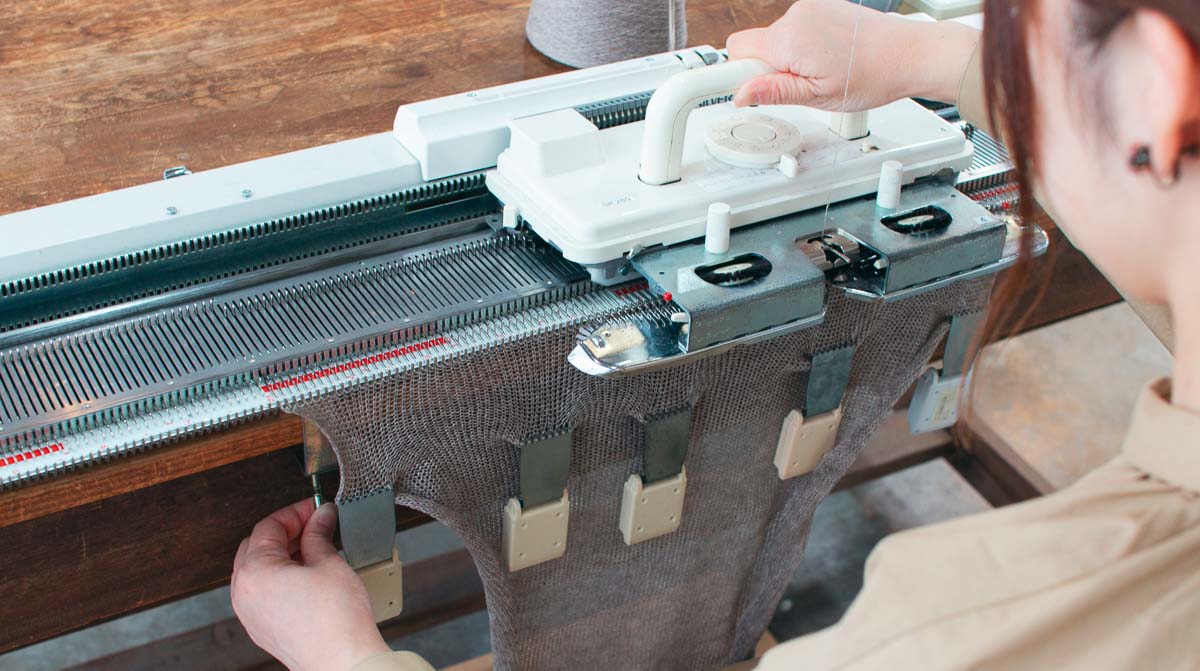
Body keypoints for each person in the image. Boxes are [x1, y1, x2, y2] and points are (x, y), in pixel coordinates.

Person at [231, 1, 1200, 669]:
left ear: (1158, 90)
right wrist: (929, 61)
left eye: (1019, 23)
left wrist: (340, 654)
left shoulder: (954, 633)